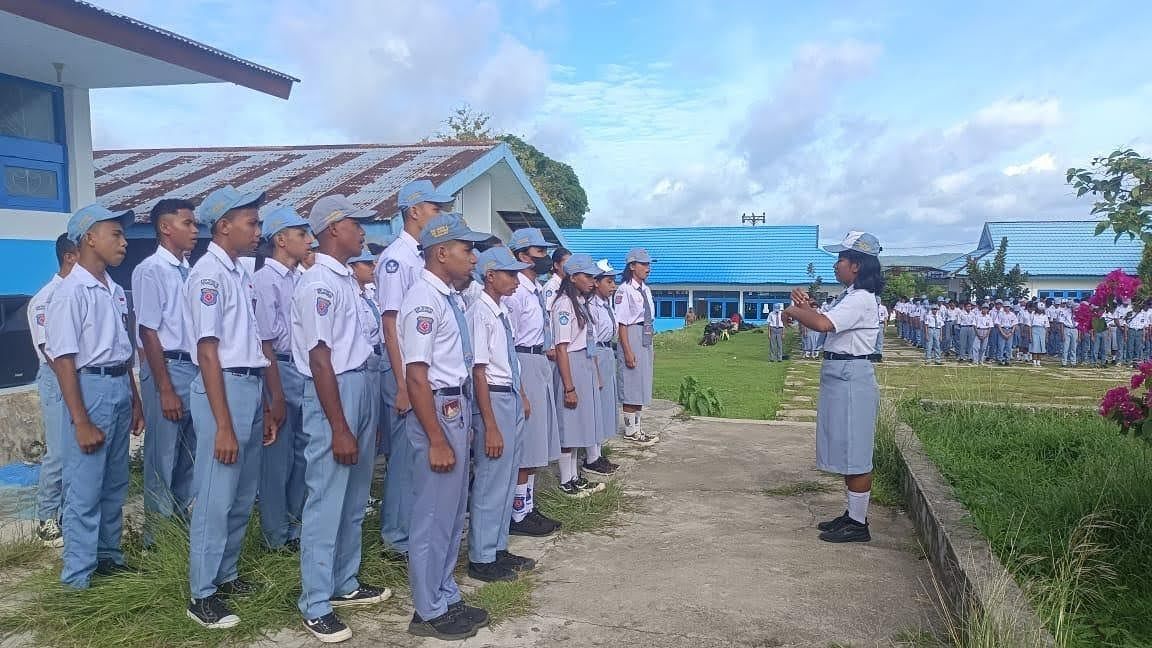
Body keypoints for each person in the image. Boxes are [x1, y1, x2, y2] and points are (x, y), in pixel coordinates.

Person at [293, 196, 390, 642]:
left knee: (354, 496)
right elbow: (319, 359)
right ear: (333, 229)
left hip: (361, 383)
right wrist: (338, 425)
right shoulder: (319, 285)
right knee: (327, 497)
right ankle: (314, 601)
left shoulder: (345, 280)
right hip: (336, 389)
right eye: (355, 224)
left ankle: (343, 582)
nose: (362, 232)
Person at [184, 186, 275, 629]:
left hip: (249, 386)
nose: (259, 230)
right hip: (224, 390)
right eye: (252, 223)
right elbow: (207, 352)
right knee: (216, 496)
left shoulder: (238, 272)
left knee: (241, 493)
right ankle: (201, 594)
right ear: (224, 226)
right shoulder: (208, 275)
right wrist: (222, 423)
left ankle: (226, 575)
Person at [400, 213, 490, 641]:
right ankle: (427, 608)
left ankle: (444, 593)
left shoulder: (448, 297)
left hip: (454, 405)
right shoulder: (423, 300)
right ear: (440, 252)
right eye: (465, 249)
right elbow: (416, 376)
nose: (473, 257)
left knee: (453, 515)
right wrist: (436, 437)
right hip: (437, 410)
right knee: (433, 515)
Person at [45, 205, 144, 588]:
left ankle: (108, 558)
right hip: (91, 388)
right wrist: (81, 420)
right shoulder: (72, 292)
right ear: (89, 238)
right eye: (115, 234)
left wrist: (134, 399)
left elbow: (122, 349)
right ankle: (77, 578)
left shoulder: (113, 289)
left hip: (118, 384)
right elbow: (65, 360)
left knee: (114, 483)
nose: (122, 243)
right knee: (85, 486)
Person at [783, 231, 883, 543]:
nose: (836, 265)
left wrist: (793, 310)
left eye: (840, 259)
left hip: (851, 375)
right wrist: (804, 309)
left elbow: (824, 325)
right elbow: (820, 324)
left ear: (856, 264)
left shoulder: (861, 299)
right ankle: (852, 515)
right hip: (841, 372)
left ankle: (858, 524)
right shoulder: (849, 296)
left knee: (855, 449)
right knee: (844, 445)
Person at [375, 179, 456, 561]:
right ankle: (397, 536)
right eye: (435, 209)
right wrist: (403, 382)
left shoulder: (420, 256)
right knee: (406, 456)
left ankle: (414, 529)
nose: (442, 214)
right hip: (407, 371)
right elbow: (390, 323)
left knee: (418, 455)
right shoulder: (398, 259)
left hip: (421, 370)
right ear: (414, 211)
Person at [465, 246, 538, 584]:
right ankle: (481, 557)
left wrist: (520, 393)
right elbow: (479, 371)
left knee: (507, 478)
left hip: (507, 395)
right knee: (491, 480)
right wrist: (489, 424)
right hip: (491, 399)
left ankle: (497, 547)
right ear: (490, 276)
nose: (517, 280)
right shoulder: (480, 312)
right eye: (510, 274)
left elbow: (508, 361)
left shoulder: (500, 310)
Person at [133, 199, 199, 546]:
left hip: (192, 368)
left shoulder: (190, 271)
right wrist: (165, 388)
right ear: (164, 227)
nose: (194, 230)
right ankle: (156, 543)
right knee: (163, 458)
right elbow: (148, 331)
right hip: (168, 368)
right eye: (187, 223)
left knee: (188, 458)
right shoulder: (151, 270)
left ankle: (178, 533)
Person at [252, 206, 313, 552]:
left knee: (303, 454)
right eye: (301, 234)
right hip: (280, 368)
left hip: (300, 368)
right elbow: (265, 343)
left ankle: (294, 527)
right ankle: (275, 536)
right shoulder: (265, 280)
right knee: (278, 460)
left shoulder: (298, 278)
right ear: (280, 240)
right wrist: (274, 395)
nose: (308, 240)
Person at [505, 228, 563, 538]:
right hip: (522, 360)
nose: (543, 258)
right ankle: (518, 513)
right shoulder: (515, 293)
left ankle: (527, 506)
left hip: (538, 359)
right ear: (522, 255)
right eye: (538, 253)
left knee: (538, 439)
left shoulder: (534, 288)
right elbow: (508, 338)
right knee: (527, 442)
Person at [28, 234, 78, 548]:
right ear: (71, 256)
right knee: (59, 453)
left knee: (77, 452)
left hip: (79, 375)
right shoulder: (45, 299)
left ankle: (69, 515)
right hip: (58, 376)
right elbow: (52, 351)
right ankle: (47, 519)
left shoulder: (84, 291)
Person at [552, 254, 608, 497]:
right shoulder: (564, 304)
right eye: (587, 276)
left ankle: (574, 475)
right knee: (569, 425)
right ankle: (566, 481)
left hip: (583, 363)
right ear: (573, 277)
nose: (593, 282)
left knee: (578, 426)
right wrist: (569, 387)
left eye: (594, 277)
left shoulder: (579, 303)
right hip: (571, 365)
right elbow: (562, 347)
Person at [615, 248, 657, 445]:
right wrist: (627, 350)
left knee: (641, 384)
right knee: (631, 384)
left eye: (649, 264)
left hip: (645, 334)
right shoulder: (625, 290)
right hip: (631, 333)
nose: (648, 268)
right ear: (632, 266)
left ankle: (638, 428)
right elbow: (622, 323)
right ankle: (630, 430)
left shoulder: (645, 289)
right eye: (643, 264)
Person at [587, 259, 622, 475]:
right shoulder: (590, 305)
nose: (613, 286)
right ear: (596, 282)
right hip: (597, 352)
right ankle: (592, 457)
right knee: (596, 406)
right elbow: (590, 337)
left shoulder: (606, 304)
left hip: (608, 351)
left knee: (607, 404)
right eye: (609, 281)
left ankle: (598, 452)